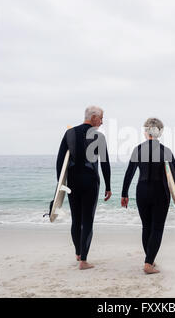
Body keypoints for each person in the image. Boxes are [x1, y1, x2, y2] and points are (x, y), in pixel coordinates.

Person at [121, 118, 175, 274]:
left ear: (145, 131)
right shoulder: (165, 151)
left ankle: (150, 259)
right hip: (160, 192)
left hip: (141, 191)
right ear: (160, 132)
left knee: (146, 227)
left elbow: (129, 172)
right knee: (157, 228)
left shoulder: (138, 150)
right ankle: (148, 263)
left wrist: (124, 193)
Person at [56, 106, 112, 270]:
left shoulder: (70, 133)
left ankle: (78, 253)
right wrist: (108, 186)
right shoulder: (98, 136)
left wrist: (60, 185)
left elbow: (60, 161)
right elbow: (104, 163)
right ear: (94, 118)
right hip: (90, 182)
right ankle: (84, 261)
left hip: (72, 182)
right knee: (87, 220)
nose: (102, 122)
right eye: (101, 118)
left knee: (76, 219)